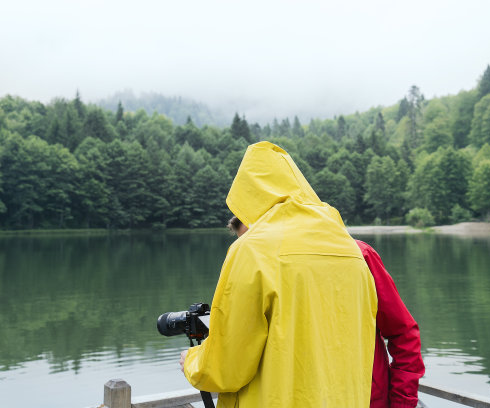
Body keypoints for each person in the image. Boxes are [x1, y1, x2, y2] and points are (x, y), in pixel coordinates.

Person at [179, 141, 378, 407]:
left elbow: (226, 368)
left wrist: (192, 361)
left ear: (249, 212)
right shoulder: (351, 252)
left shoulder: (251, 250)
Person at [225, 216, 425, 407]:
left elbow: (403, 333)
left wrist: (402, 403)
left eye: (255, 240)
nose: (250, 251)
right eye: (244, 244)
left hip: (366, 400)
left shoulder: (359, 255)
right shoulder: (256, 271)